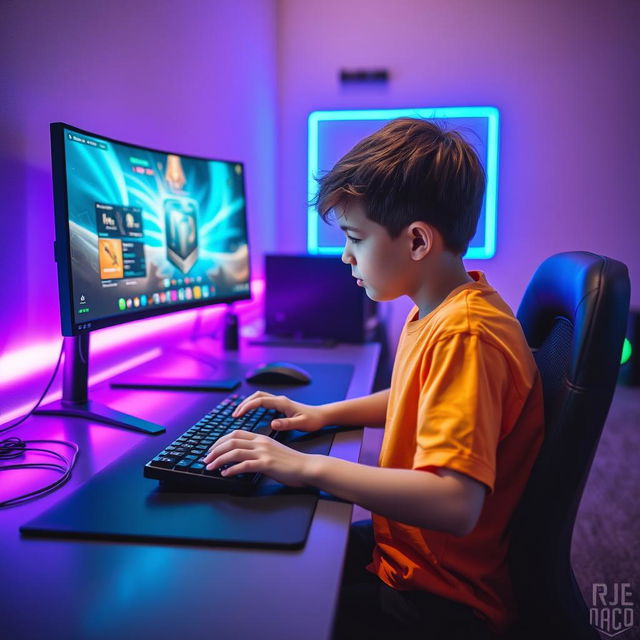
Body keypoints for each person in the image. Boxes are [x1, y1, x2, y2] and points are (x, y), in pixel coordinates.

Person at [202, 118, 544, 639]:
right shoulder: (440, 309)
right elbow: (414, 395)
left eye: (355, 238)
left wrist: (307, 467)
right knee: (273, 557)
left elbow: (455, 502)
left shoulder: (465, 336)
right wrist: (320, 415)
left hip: (440, 600)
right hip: (409, 557)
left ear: (416, 242)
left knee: (254, 602)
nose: (345, 256)